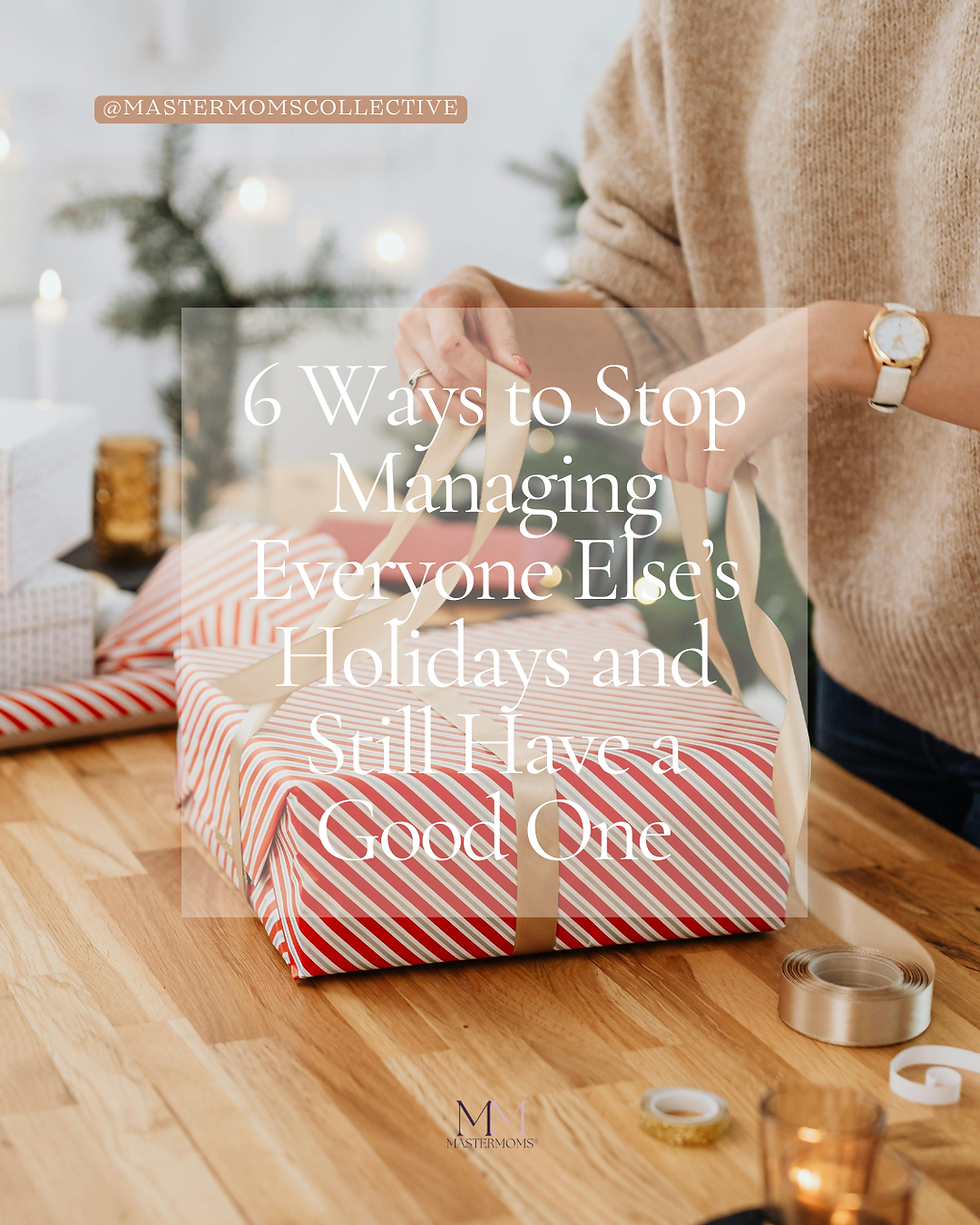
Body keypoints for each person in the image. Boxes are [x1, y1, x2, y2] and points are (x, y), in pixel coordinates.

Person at [395, 1, 980, 846]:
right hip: (869, 689)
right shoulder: (705, 16)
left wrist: (842, 346)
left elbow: (804, 349)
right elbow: (652, 313)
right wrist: (493, 324)